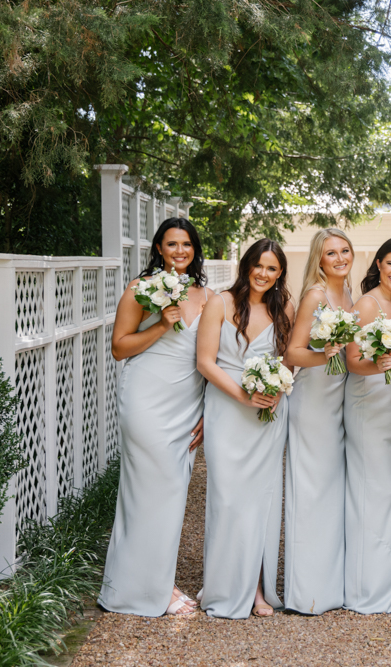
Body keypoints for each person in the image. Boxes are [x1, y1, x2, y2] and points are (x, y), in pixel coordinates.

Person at [99, 218, 209, 617]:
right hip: (146, 398)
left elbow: (210, 359)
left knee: (172, 493)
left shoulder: (208, 296)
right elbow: (119, 347)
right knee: (146, 491)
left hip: (186, 403)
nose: (180, 251)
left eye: (186, 244)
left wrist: (207, 410)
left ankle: (158, 583)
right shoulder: (140, 288)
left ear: (195, 249)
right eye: (171, 244)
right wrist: (162, 324)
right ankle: (137, 592)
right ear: (159, 248)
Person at [196, 240, 293, 618]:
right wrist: (242, 395)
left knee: (260, 502)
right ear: (246, 265)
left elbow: (286, 359)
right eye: (258, 265)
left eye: (272, 268)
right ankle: (224, 584)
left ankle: (255, 590)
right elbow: (205, 362)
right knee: (228, 498)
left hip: (267, 415)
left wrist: (279, 389)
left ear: (280, 273)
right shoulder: (220, 303)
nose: (263, 274)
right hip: (227, 409)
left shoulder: (283, 306)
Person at [342, 237, 391, 614]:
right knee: (371, 490)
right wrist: (381, 364)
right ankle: (366, 588)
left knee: (389, 491)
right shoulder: (368, 303)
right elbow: (352, 359)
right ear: (378, 265)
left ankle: (389, 579)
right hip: (368, 401)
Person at [283, 228, 355, 615]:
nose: (340, 257)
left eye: (345, 250)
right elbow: (294, 353)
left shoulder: (350, 293)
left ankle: (329, 583)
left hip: (340, 399)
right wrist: (328, 354)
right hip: (313, 398)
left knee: (330, 489)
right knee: (310, 489)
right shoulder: (315, 294)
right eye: (332, 253)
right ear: (319, 259)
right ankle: (306, 591)